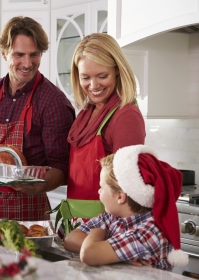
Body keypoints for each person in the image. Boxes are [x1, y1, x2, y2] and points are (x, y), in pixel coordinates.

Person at [0, 16, 75, 222]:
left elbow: (61, 167)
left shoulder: (53, 101)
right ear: (4, 54)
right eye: (19, 54)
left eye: (34, 54)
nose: (27, 63)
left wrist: (34, 185)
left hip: (28, 212)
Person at [52, 33, 146, 236]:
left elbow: (128, 190)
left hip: (106, 232)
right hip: (77, 226)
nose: (93, 86)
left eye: (102, 76)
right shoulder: (86, 113)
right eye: (86, 77)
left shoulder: (125, 116)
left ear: (118, 72)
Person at [63, 145, 188, 270]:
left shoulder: (148, 232)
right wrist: (116, 255)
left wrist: (97, 234)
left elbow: (88, 254)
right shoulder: (112, 216)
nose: (99, 191)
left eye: (102, 187)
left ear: (120, 197)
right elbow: (69, 240)